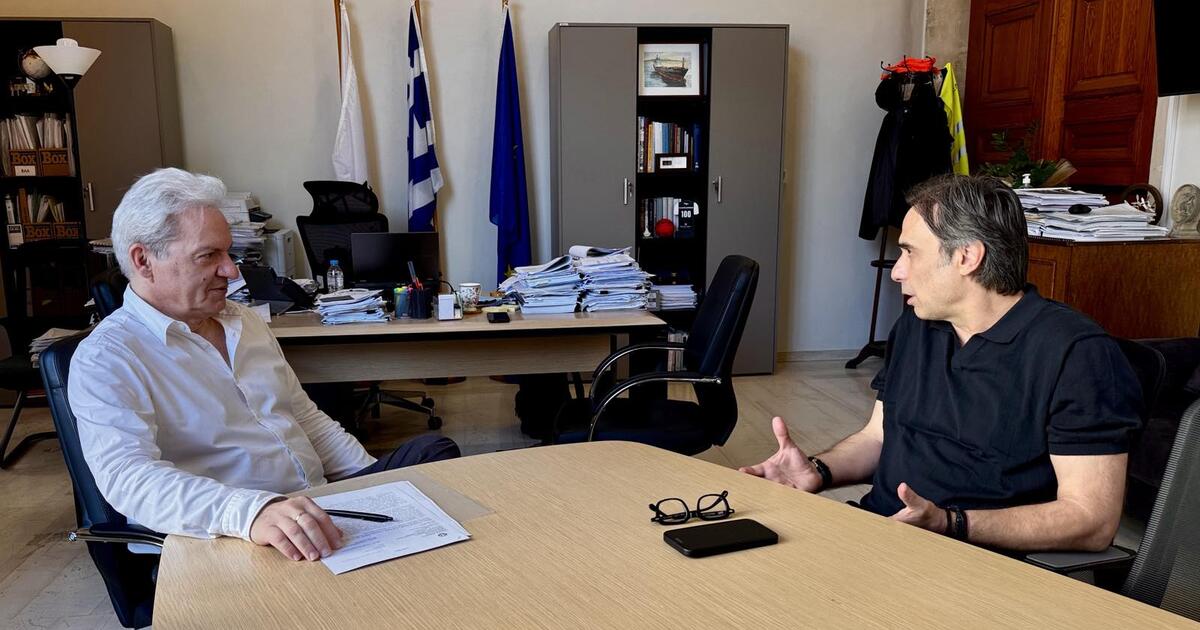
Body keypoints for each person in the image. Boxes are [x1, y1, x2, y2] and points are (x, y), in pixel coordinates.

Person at [69, 168, 460, 562]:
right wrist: (252, 513)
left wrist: (379, 485)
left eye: (229, 253)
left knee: (433, 452)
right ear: (144, 260)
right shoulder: (109, 356)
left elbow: (303, 417)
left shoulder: (243, 320)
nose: (231, 271)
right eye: (208, 255)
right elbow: (129, 479)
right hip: (235, 532)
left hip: (314, 507)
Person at [742, 175, 1141, 552]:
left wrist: (949, 523)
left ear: (967, 256)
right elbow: (878, 438)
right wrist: (817, 469)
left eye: (909, 252)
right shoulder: (917, 326)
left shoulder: (1076, 353)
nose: (897, 272)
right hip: (879, 537)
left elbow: (1091, 520)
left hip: (977, 563)